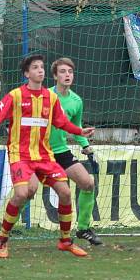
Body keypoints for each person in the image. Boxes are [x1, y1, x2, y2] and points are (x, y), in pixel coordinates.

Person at [0, 54, 95, 258]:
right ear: (27, 73)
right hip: (21, 155)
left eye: (42, 67)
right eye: (35, 68)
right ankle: (2, 237)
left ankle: (65, 241)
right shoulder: (16, 96)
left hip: (44, 156)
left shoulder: (51, 98)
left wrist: (81, 132)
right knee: (21, 194)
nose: (40, 71)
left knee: (65, 192)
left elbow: (62, 122)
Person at [48, 57, 102, 246]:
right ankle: (5, 231)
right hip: (41, 152)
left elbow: (76, 126)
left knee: (88, 183)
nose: (67, 75)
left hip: (61, 151)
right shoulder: (44, 96)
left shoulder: (76, 101)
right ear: (55, 76)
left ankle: (83, 228)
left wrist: (86, 146)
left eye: (70, 72)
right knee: (26, 191)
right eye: (62, 71)